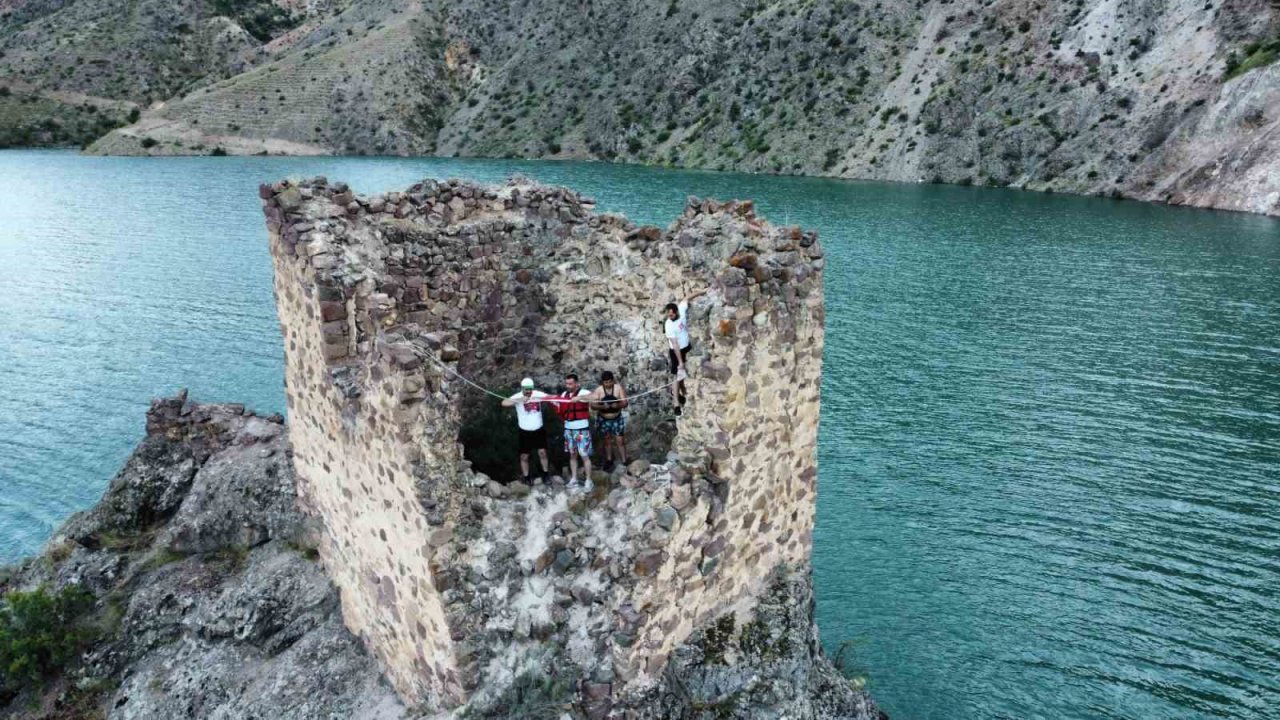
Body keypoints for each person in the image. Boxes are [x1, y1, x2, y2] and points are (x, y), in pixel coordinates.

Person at [500, 377, 550, 484]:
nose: (529, 392)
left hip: (539, 429)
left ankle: (546, 474)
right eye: (527, 390)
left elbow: (550, 397)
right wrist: (519, 400)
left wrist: (553, 398)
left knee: (543, 453)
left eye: (530, 389)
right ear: (522, 388)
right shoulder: (518, 396)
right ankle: (527, 477)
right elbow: (504, 403)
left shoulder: (536, 394)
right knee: (524, 456)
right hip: (524, 431)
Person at [663, 290, 705, 416]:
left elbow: (687, 298)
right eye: (668, 315)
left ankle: (681, 391)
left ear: (676, 312)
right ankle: (676, 403)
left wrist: (704, 291)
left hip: (686, 346)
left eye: (671, 314)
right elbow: (675, 344)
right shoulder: (668, 325)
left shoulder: (681, 309)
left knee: (683, 374)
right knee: (677, 375)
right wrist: (680, 362)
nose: (670, 317)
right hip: (676, 351)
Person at [555, 373, 594, 490]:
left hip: (582, 429)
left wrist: (580, 398)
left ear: (576, 383)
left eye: (570, 384)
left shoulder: (583, 392)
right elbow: (558, 404)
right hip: (569, 429)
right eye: (567, 384)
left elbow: (594, 397)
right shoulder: (564, 395)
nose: (568, 386)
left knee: (584, 455)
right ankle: (574, 479)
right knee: (572, 455)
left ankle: (588, 480)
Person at [588, 371, 628, 472]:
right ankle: (609, 461)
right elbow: (592, 405)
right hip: (604, 419)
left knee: (620, 441)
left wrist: (618, 405)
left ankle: (624, 461)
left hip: (617, 418)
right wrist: (602, 406)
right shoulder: (599, 390)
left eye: (610, 382)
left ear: (613, 381)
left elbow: (625, 402)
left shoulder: (618, 388)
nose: (608, 384)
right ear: (602, 382)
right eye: (606, 382)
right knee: (607, 440)